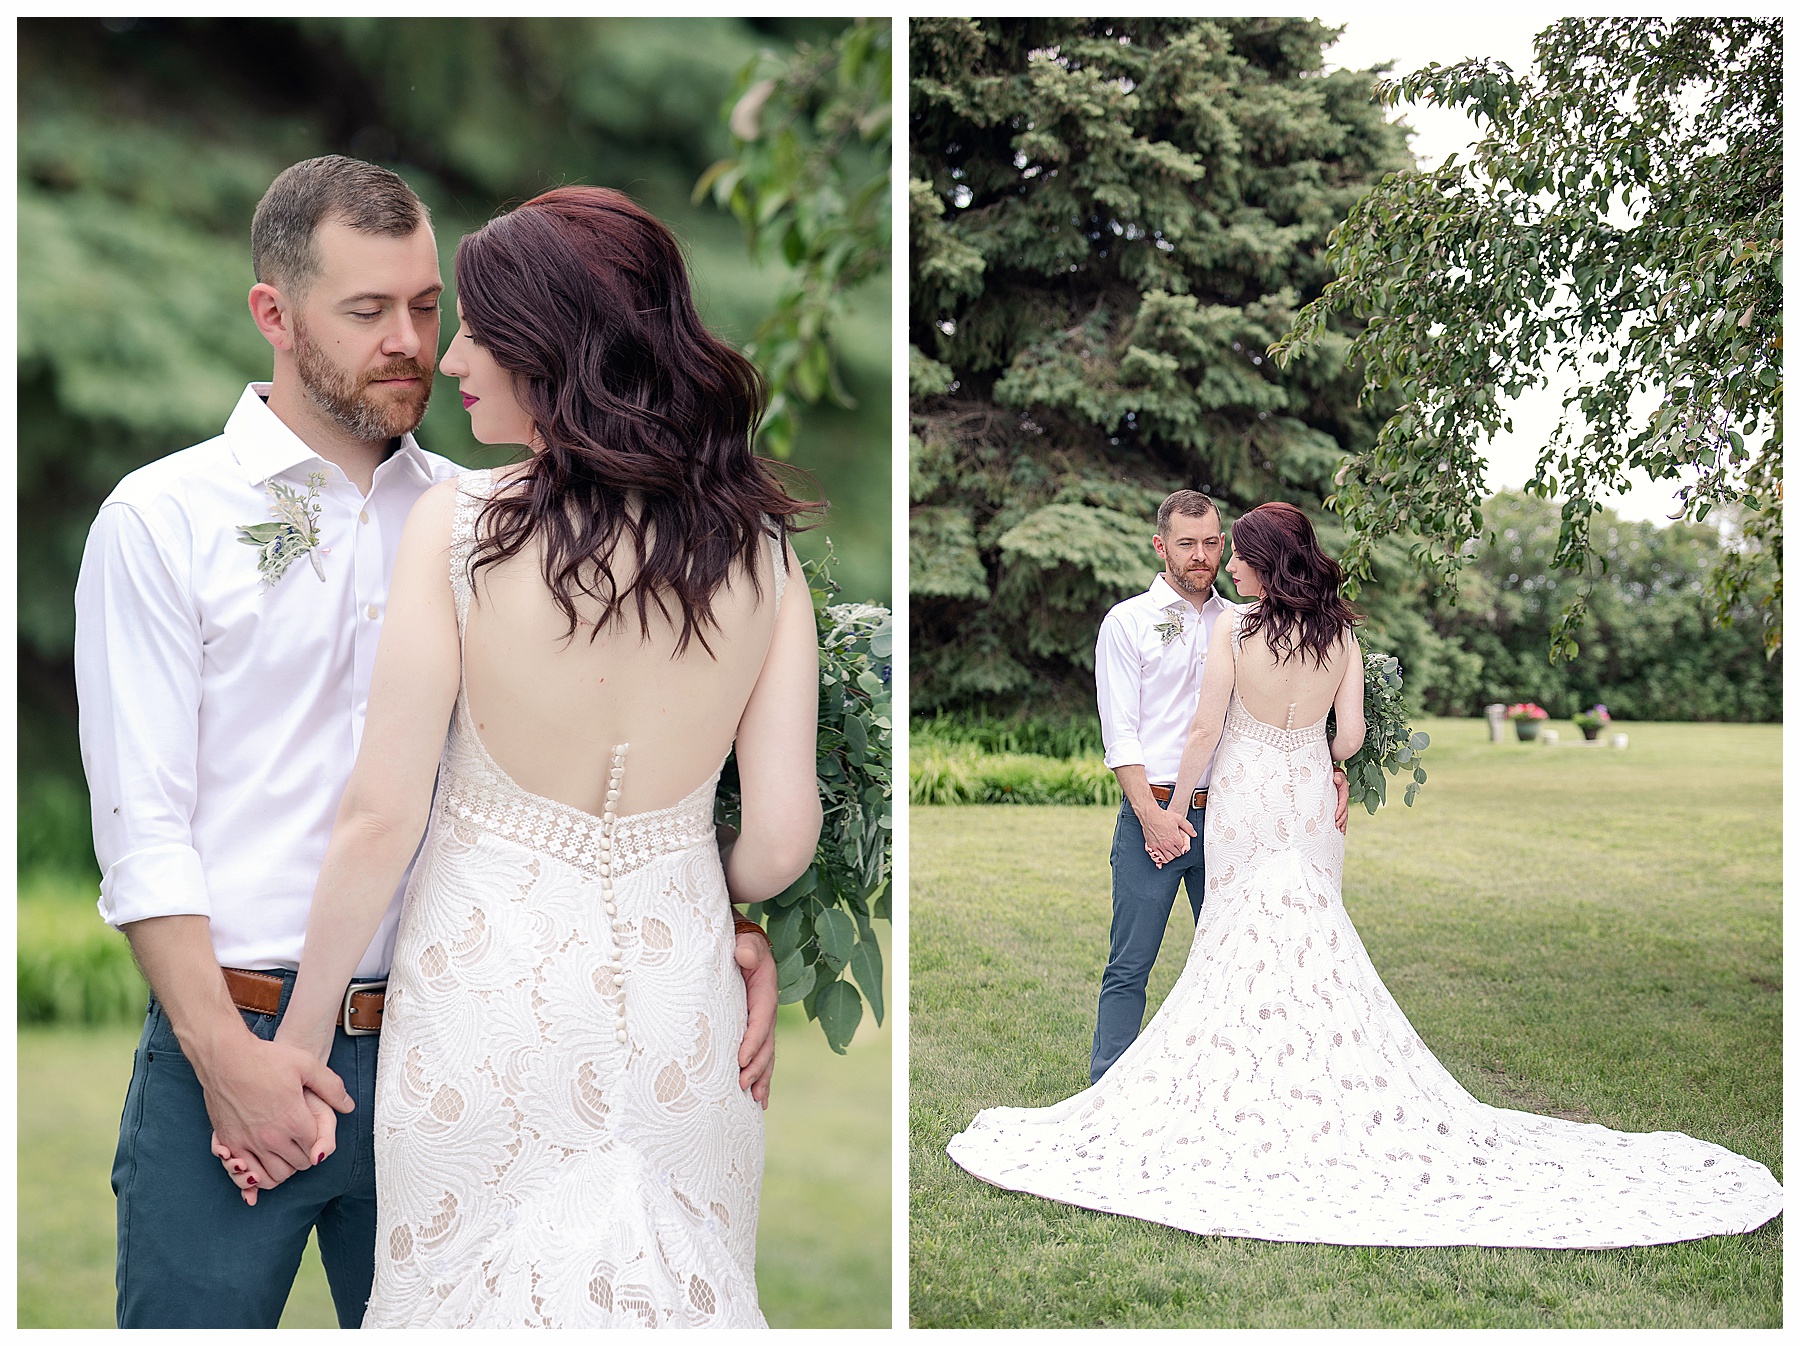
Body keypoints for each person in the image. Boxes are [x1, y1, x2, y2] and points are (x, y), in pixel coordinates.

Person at [75, 157, 778, 1330]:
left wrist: (723, 930)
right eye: (366, 313)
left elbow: (608, 753)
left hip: (456, 1050)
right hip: (232, 1040)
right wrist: (227, 1059)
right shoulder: (164, 520)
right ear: (274, 315)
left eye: (425, 306)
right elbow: (140, 826)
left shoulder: (495, 514)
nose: (411, 342)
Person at [947, 502, 1782, 1247]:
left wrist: (1191, 798)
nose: (1224, 562)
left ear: (1261, 563)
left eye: (1234, 552)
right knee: (1306, 947)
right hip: (1308, 801)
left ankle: (1242, 1105)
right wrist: (1318, 761)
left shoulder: (1235, 632)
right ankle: (1285, 1097)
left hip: (1241, 801)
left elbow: (1203, 731)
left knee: (1235, 950)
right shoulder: (1343, 635)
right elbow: (1347, 738)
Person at [1089, 490, 1347, 1083]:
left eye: (1212, 543)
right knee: (1130, 964)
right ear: (1161, 547)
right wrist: (1154, 817)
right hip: (1154, 814)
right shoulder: (1127, 623)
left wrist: (1329, 769)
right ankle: (1108, 1087)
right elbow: (1120, 735)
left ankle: (1240, 1087)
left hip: (1235, 819)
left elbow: (1298, 707)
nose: (1202, 557)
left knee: (1247, 966)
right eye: (1187, 545)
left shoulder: (1249, 620)